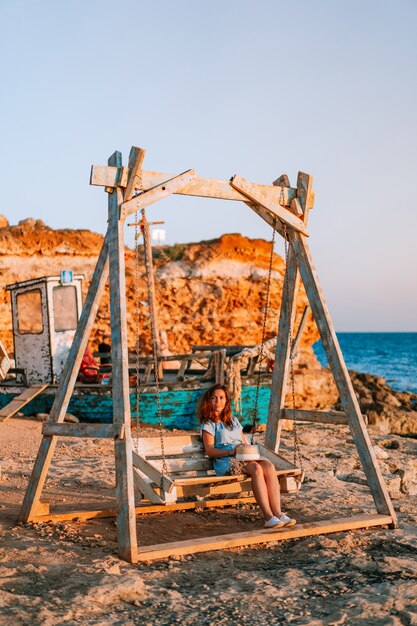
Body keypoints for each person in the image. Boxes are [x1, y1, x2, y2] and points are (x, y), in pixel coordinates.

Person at [199, 383, 296, 529]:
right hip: (227, 461)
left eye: (221, 398)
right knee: (256, 469)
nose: (217, 401)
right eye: (214, 398)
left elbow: (244, 442)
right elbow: (211, 451)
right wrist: (233, 451)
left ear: (226, 401)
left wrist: (246, 450)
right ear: (209, 401)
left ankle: (278, 513)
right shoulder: (209, 424)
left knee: (269, 466)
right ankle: (269, 517)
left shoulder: (233, 421)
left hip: (242, 456)